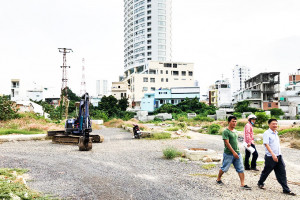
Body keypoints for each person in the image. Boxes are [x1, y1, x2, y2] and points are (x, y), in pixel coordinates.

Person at [257, 119, 296, 196]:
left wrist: (278, 154)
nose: (275, 125)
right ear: (269, 124)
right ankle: (260, 182)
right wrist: (273, 154)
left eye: (276, 124)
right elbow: (266, 144)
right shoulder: (267, 133)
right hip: (270, 157)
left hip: (279, 156)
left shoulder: (276, 133)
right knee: (266, 171)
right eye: (273, 124)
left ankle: (286, 189)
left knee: (282, 172)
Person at [216, 116, 251, 190]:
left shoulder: (235, 131)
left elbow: (237, 142)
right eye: (233, 121)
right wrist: (233, 152)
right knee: (224, 168)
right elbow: (227, 143)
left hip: (237, 153)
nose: (234, 123)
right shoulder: (226, 131)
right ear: (229, 122)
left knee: (240, 168)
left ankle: (242, 184)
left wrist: (247, 143)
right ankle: (218, 179)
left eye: (235, 121)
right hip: (229, 153)